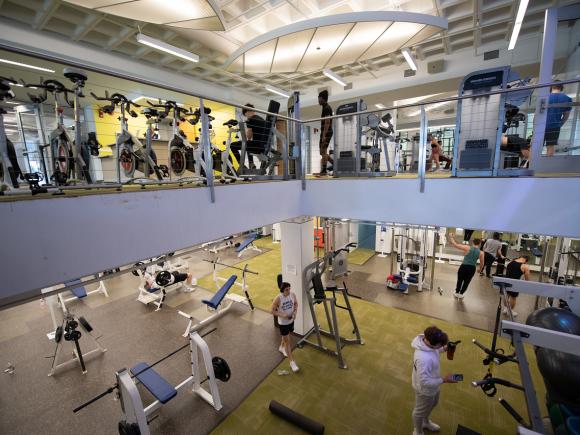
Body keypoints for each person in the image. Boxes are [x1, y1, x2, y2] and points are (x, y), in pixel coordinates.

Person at [411, 325, 457, 435]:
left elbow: (435, 350)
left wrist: (444, 348)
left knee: (433, 404)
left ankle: (425, 422)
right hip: (424, 390)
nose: (443, 346)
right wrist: (444, 379)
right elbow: (424, 382)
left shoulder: (426, 340)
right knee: (419, 411)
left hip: (433, 383)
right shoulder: (423, 359)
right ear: (434, 344)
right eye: (441, 345)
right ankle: (417, 431)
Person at [230, 103, 270, 169]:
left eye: (245, 115)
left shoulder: (250, 120)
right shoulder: (262, 119)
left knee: (233, 145)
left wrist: (247, 129)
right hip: (264, 145)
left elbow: (249, 136)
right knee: (247, 144)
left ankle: (242, 165)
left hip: (257, 146)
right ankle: (251, 163)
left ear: (247, 112)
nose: (246, 117)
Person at [271, 281, 299, 373]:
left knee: (285, 336)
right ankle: (292, 362)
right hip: (283, 323)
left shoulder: (292, 295)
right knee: (288, 342)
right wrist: (282, 315)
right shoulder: (278, 298)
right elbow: (272, 311)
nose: (289, 291)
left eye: (289, 288)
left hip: (291, 321)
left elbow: (296, 303)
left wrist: (295, 312)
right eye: (287, 289)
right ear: (282, 290)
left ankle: (281, 347)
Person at [449, 233, 484, 299]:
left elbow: (455, 245)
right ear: (479, 244)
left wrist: (451, 237)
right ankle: (461, 293)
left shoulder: (467, 247)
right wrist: (480, 269)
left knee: (460, 280)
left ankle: (457, 292)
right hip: (472, 268)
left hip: (464, 266)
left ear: (473, 242)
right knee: (467, 282)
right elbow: (482, 263)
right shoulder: (481, 253)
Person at [544, 82, 573, 156]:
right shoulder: (567, 99)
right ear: (561, 87)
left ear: (551, 87)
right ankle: (547, 166)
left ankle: (533, 166)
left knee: (535, 146)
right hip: (554, 126)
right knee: (550, 147)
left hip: (541, 125)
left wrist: (535, 126)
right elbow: (566, 116)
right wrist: (559, 124)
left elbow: (537, 114)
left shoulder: (544, 97)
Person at [317, 90, 334, 176]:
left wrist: (324, 135)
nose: (318, 100)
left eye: (319, 98)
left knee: (323, 151)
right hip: (325, 131)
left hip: (327, 132)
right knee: (321, 152)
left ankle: (324, 170)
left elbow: (327, 122)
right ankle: (334, 164)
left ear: (322, 98)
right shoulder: (325, 107)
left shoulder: (327, 108)